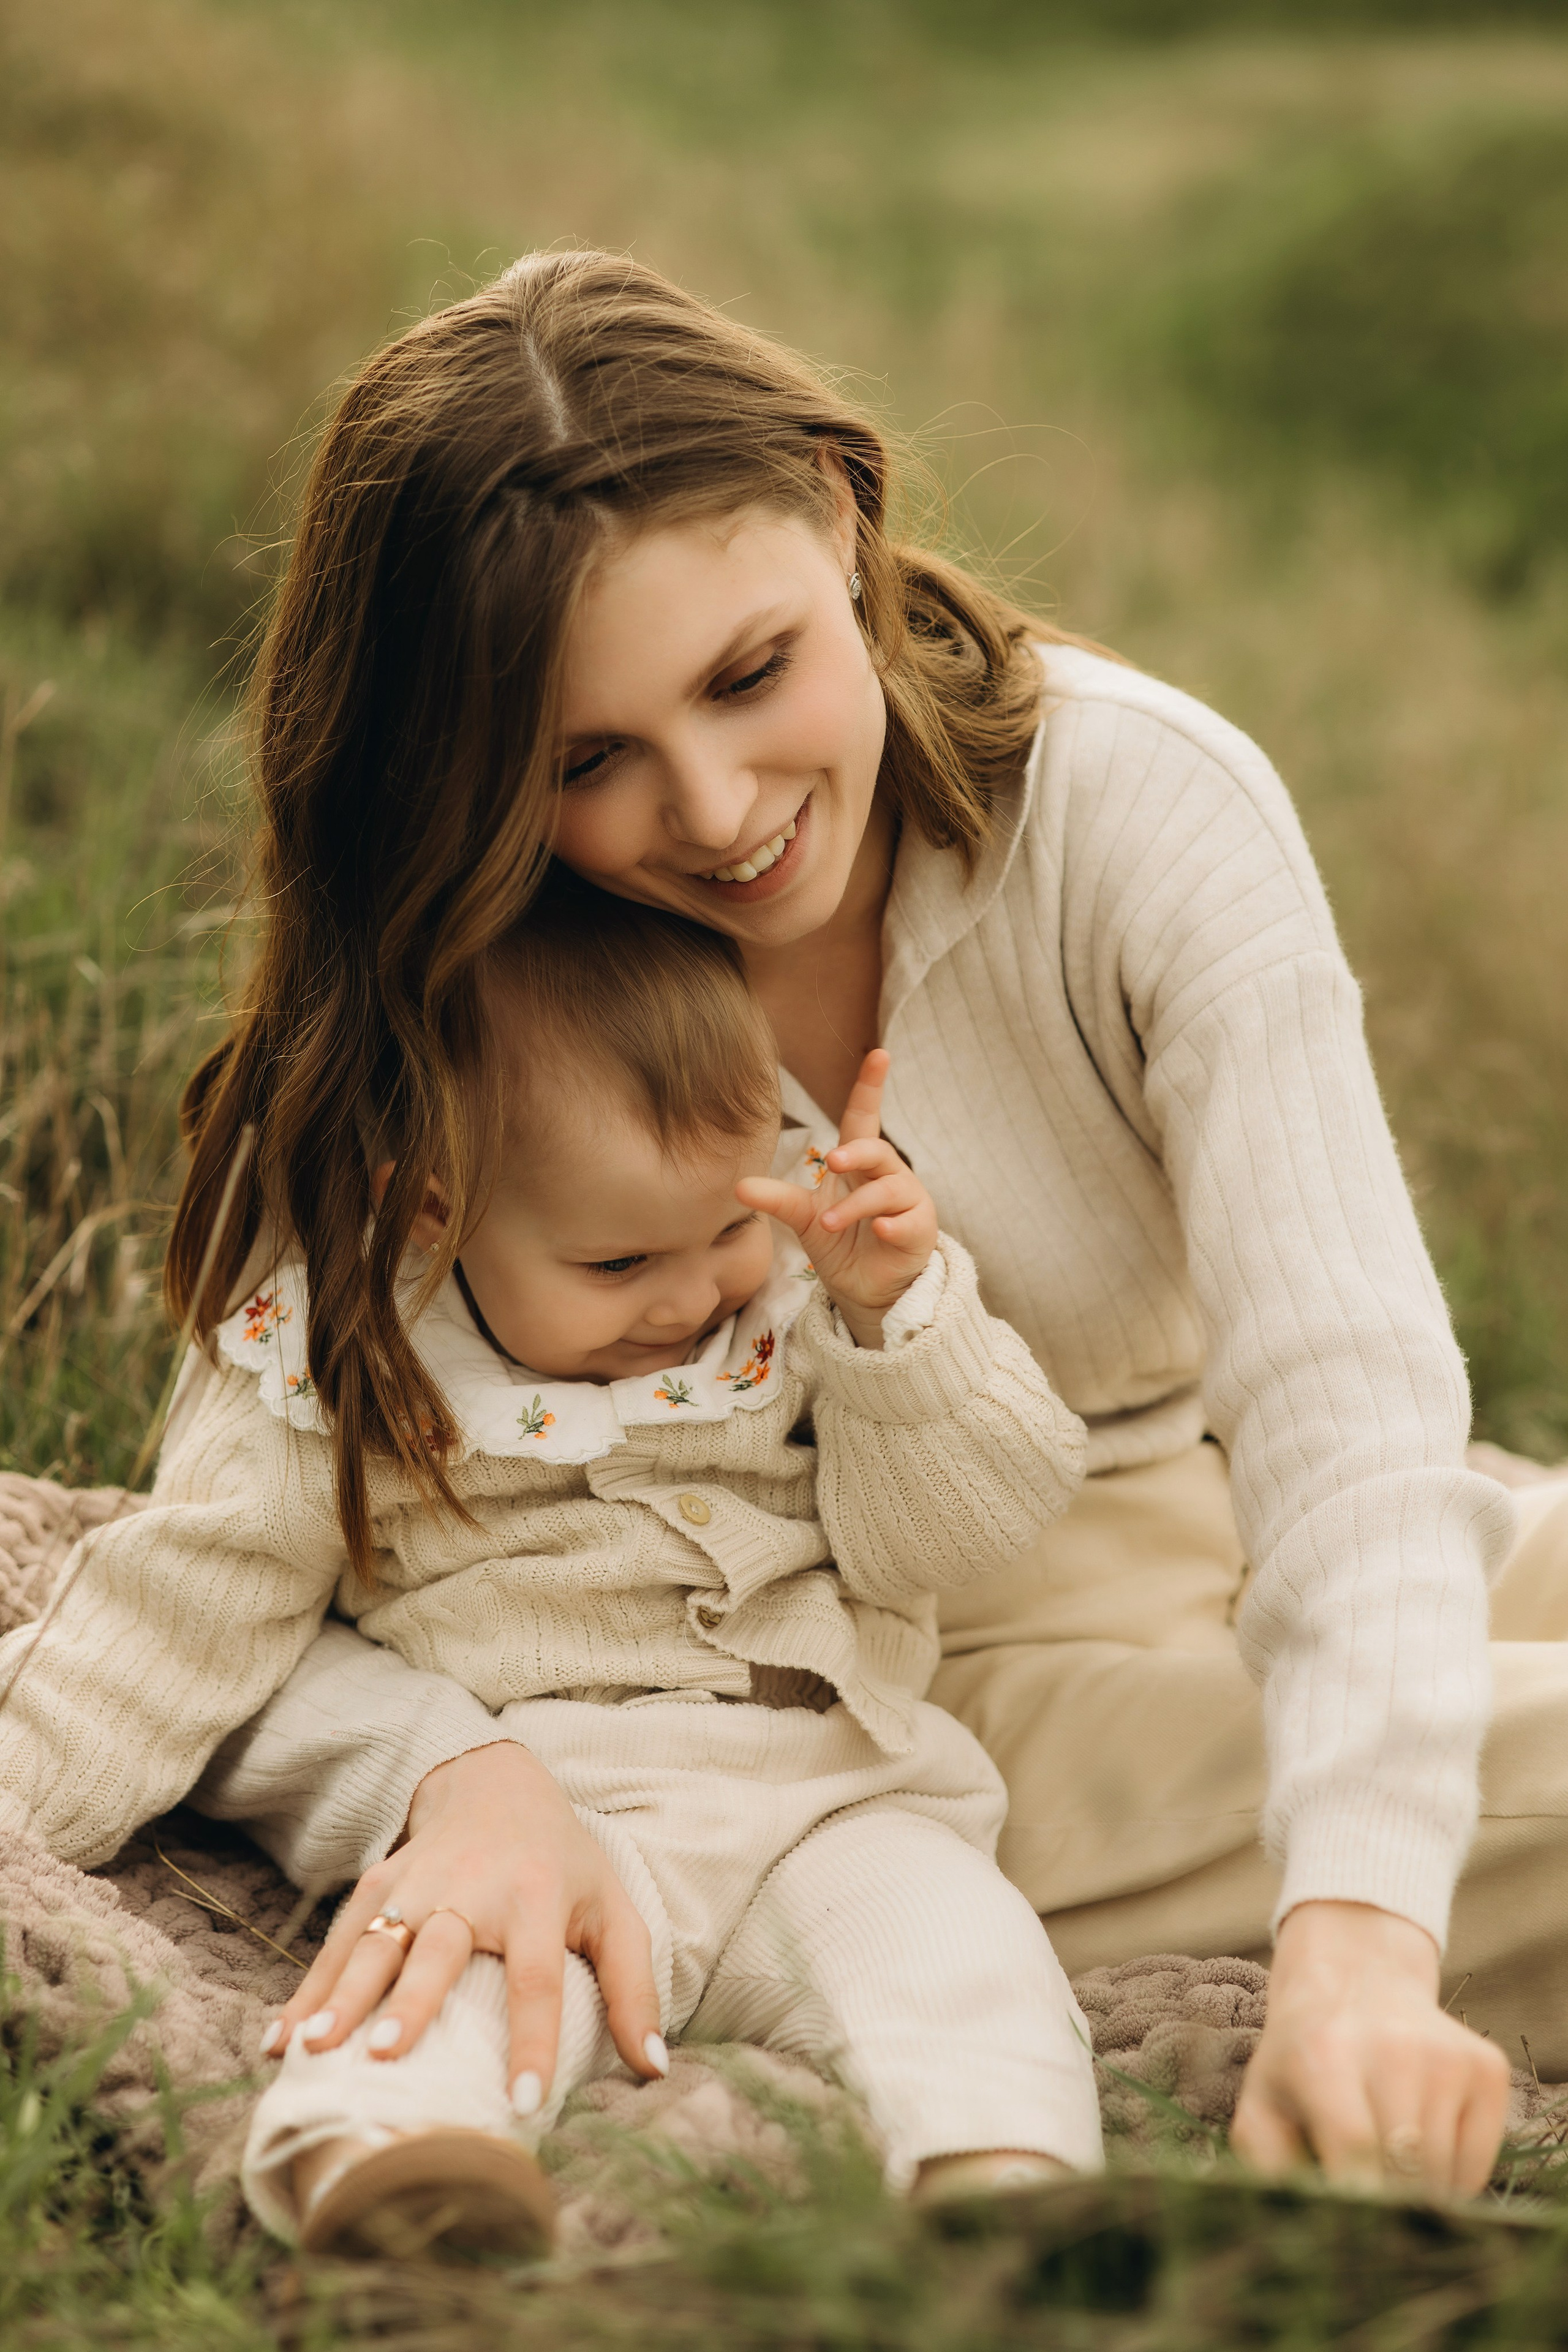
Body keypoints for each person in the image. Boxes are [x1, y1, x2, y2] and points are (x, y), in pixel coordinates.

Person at [31, 247, 1568, 2204]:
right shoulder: (482, 991)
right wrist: (455, 1773)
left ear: (842, 517)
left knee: (1427, 1587)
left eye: (751, 673)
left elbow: (1347, 1406)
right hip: (897, 1646)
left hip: (1206, 1488)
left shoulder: (1138, 808)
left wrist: (1362, 1958)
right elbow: (251, 1544)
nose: (719, 807)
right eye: (585, 761)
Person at [0, 877, 1102, 2252]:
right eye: (618, 1260)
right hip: (549, 1817)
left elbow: (970, 1526)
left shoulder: (808, 1294)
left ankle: (1006, 2205)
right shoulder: (361, 1364)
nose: (693, 1294)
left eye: (722, 1229)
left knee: (964, 1969)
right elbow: (177, 1616)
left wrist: (898, 1328)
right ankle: (394, 2181)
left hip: (837, 1796)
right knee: (441, 1973)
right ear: (430, 1216)